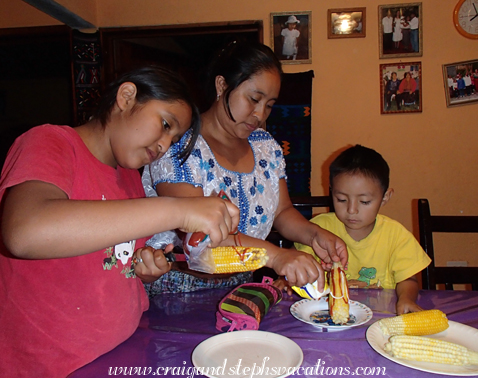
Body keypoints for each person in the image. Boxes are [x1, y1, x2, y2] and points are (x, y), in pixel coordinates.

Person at [0, 66, 242, 378]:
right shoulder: (49, 142)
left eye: (174, 138)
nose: (164, 145)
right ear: (126, 97)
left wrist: (146, 271)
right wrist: (178, 210)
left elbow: (111, 265)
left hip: (119, 354)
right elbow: (24, 233)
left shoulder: (130, 180)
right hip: (49, 366)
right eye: (165, 124)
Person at [142, 41, 348, 295]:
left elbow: (282, 212)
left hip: (243, 288)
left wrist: (315, 235)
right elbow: (198, 234)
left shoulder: (265, 147)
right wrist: (276, 256)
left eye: (269, 105)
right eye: (254, 99)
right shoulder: (179, 146)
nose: (260, 114)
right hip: (179, 291)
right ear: (221, 85)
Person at [294, 145, 431, 314]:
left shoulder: (396, 236)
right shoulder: (318, 229)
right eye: (342, 199)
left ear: (384, 198)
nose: (352, 210)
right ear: (332, 192)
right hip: (326, 318)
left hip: (380, 317)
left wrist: (406, 299)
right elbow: (297, 262)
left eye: (364, 202)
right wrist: (286, 280)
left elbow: (408, 279)